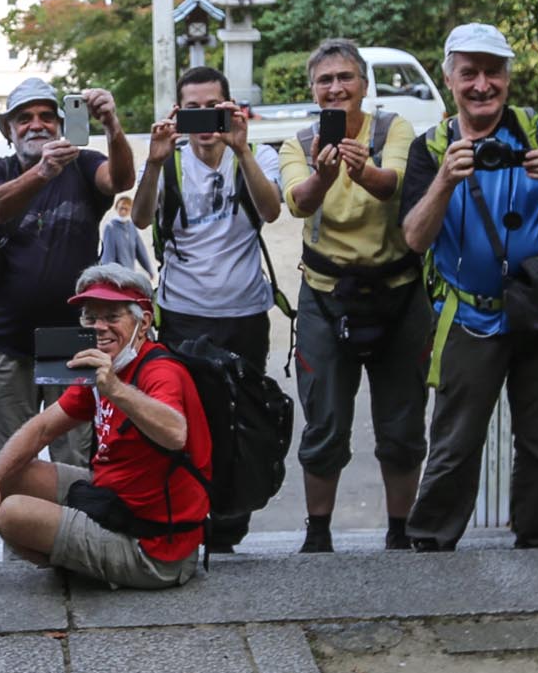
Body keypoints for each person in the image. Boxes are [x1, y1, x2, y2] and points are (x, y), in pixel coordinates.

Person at [399, 24, 538, 552]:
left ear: (508, 78)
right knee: (455, 441)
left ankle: (534, 542)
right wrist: (444, 180)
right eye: (470, 73)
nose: (482, 85)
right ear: (449, 79)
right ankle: (430, 543)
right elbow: (415, 239)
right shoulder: (431, 148)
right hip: (471, 316)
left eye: (493, 72)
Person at [0, 264, 210, 588]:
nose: (100, 328)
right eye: (90, 318)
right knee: (8, 472)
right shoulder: (105, 365)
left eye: (112, 318)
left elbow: (175, 434)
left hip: (155, 551)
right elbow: (41, 428)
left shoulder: (158, 372)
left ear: (143, 323)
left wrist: (115, 389)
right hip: (114, 501)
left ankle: (91, 566)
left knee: (12, 514)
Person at [277, 38, 429, 552]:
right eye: (325, 80)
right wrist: (324, 176)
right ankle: (317, 533)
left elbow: (397, 185)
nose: (336, 88)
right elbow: (297, 202)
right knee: (324, 421)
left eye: (346, 78)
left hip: (399, 293)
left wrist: (363, 169)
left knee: (403, 422)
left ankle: (400, 531)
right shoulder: (299, 142)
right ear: (313, 91)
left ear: (365, 85)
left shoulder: (392, 130)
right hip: (325, 296)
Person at [131, 65, 282, 549]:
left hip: (244, 313)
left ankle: (231, 527)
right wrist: (153, 162)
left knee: (240, 424)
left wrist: (239, 147)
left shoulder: (257, 154)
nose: (202, 120)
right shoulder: (168, 161)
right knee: (184, 424)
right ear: (176, 113)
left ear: (230, 108)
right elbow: (137, 217)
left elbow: (271, 210)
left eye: (211, 108)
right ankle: (189, 523)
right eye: (190, 109)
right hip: (183, 313)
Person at [0, 78, 132, 467]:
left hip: (71, 340)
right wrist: (42, 172)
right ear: (8, 130)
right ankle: (19, 529)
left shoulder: (84, 165)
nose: (37, 125)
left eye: (47, 116)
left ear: (62, 125)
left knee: (74, 460)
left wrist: (112, 125)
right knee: (11, 461)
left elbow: (121, 180)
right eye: (24, 118)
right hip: (7, 341)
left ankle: (68, 529)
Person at [99, 196, 153, 276]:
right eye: (121, 208)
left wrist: (149, 271)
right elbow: (108, 255)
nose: (123, 212)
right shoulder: (111, 228)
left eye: (126, 209)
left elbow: (141, 251)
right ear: (116, 208)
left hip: (129, 274)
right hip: (116, 275)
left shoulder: (131, 227)